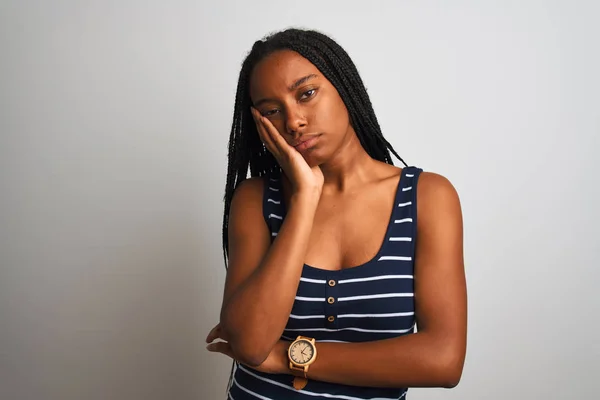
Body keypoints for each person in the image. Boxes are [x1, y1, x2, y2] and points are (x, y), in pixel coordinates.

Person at [206, 27, 467, 399]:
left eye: (307, 94)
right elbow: (248, 344)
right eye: (272, 111)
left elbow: (443, 360)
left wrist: (288, 357)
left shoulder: (427, 198)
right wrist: (304, 202)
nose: (293, 121)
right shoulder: (255, 200)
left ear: (344, 87)